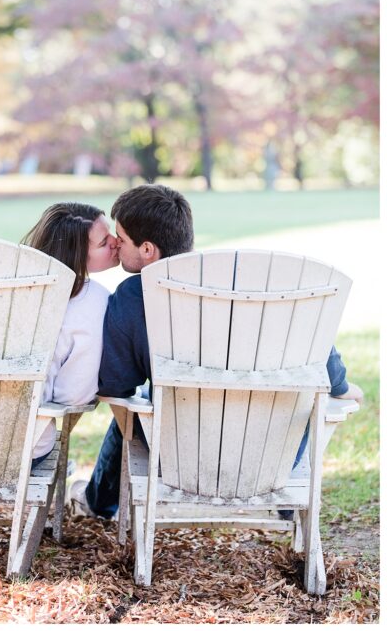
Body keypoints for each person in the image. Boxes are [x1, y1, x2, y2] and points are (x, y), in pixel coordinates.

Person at [71, 184, 363, 519]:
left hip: (182, 459)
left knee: (140, 405)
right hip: (270, 462)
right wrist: (342, 389)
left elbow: (115, 385)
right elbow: (320, 351)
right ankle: (282, 509)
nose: (116, 245)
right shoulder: (263, 287)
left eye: (121, 237)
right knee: (293, 400)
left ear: (148, 249)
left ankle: (97, 502)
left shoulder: (135, 295)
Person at [0, 202, 119, 517]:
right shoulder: (93, 301)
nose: (115, 242)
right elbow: (74, 395)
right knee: (34, 434)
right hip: (16, 449)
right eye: (105, 242)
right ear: (78, 255)